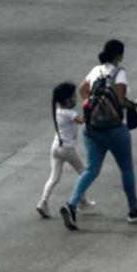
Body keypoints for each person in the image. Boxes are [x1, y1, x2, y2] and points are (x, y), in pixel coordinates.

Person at [61, 39, 137, 230]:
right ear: (119, 55)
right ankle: (133, 209)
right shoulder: (119, 74)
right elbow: (120, 101)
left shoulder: (96, 70)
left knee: (91, 169)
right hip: (114, 130)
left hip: (92, 128)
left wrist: (96, 104)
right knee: (126, 169)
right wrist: (132, 106)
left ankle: (72, 205)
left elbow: (82, 89)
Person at [36, 82, 95, 219]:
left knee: (54, 177)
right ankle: (82, 202)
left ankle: (43, 202)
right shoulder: (70, 113)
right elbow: (83, 121)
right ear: (67, 100)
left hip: (55, 147)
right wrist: (89, 107)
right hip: (67, 149)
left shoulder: (58, 111)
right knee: (83, 173)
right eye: (73, 96)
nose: (75, 98)